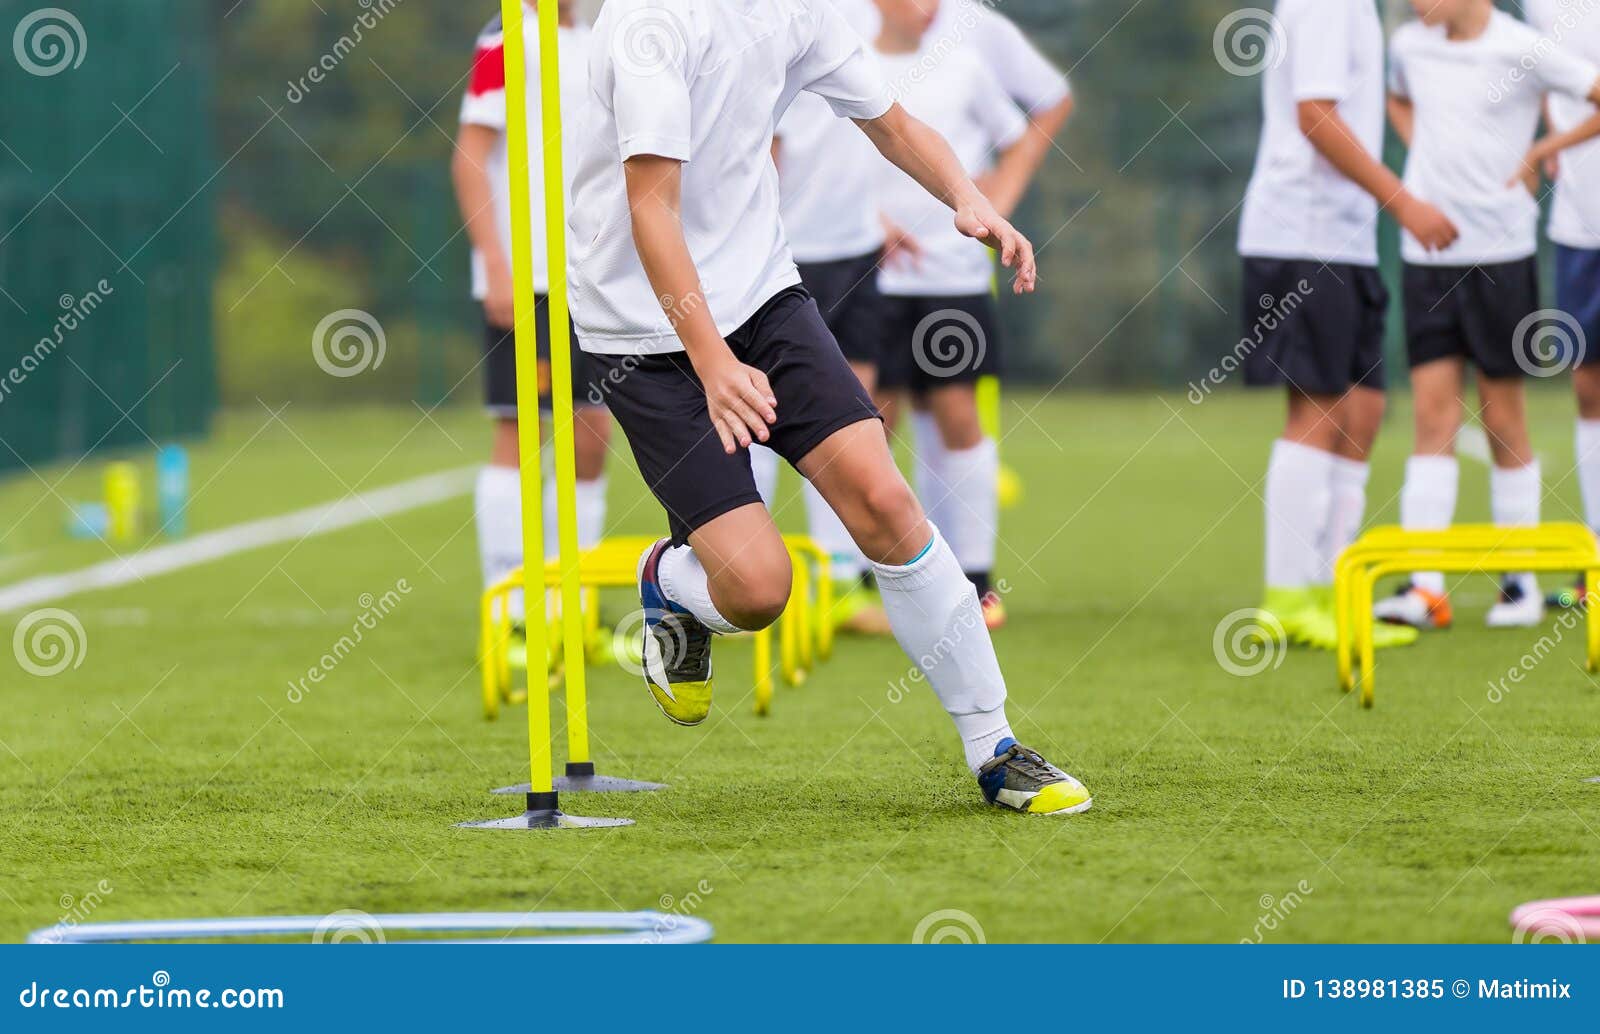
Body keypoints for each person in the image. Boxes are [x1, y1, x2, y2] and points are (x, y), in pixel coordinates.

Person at [568, 0, 1090, 815]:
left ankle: (996, 748)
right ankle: (667, 577)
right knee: (757, 590)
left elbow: (890, 121)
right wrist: (711, 362)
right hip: (641, 325)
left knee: (885, 501)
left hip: (764, 295)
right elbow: (650, 208)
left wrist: (968, 197)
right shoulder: (650, 22)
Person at [1238, 0, 1457, 652]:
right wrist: (1405, 202)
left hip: (1346, 241)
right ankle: (1287, 599)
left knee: (1361, 413)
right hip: (1301, 235)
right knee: (1318, 413)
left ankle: (1335, 591)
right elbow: (1315, 117)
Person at [1375, 0, 1600, 631]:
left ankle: (1519, 586)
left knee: (1504, 419)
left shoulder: (1520, 46)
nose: (1415, 5)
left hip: (1502, 255)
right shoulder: (1409, 48)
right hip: (1428, 256)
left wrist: (1543, 150)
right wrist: (1427, 154)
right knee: (1430, 416)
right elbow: (1398, 100)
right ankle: (1426, 591)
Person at [868, 0, 1049, 630]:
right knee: (871, 420)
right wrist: (867, 223)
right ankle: (878, 577)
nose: (929, 7)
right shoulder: (850, 64)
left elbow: (1021, 137)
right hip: (869, 278)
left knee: (955, 413)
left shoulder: (966, 66)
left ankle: (975, 582)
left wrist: (997, 199)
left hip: (952, 280)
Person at [452, 0, 610, 638]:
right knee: (519, 432)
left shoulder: (602, 36)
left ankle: (570, 598)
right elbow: (470, 156)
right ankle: (508, 599)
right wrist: (495, 260)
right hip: (530, 276)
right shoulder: (507, 34)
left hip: (593, 277)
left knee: (592, 435)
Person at [1526, 0, 1600, 606]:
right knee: (1587, 386)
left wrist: (1547, 142)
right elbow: (1549, 75)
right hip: (1578, 224)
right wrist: (1554, 139)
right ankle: (1596, 562)